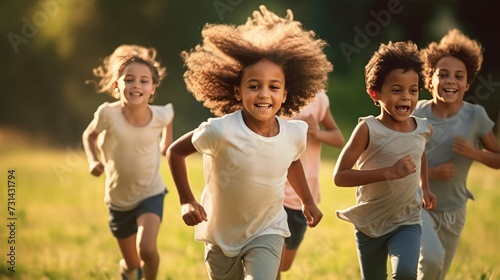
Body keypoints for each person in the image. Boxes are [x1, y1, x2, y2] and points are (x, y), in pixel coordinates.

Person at [166, 5, 330, 280]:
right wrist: (187, 200)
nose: (264, 94)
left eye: (273, 87)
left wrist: (307, 200)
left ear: (285, 93)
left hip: (268, 229)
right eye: (254, 86)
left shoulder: (294, 133)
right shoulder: (220, 130)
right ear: (238, 91)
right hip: (221, 236)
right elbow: (175, 152)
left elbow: (292, 162)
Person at [333, 41, 437, 280]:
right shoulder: (368, 129)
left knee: (405, 274)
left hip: (407, 221)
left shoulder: (422, 128)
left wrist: (426, 187)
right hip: (370, 223)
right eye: (397, 90)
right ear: (375, 93)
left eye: (413, 90)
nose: (406, 97)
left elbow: (420, 153)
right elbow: (340, 176)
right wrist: (388, 172)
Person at [413, 29, 500, 280]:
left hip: (454, 211)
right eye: (443, 74)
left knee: (436, 272)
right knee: (431, 258)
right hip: (419, 205)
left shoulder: (476, 116)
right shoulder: (416, 114)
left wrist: (475, 153)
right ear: (430, 81)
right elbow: (400, 157)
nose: (451, 80)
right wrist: (432, 173)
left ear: (467, 84)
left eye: (458, 76)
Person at [82, 44, 174, 280]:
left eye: (144, 81)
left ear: (153, 88)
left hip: (150, 193)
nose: (136, 85)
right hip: (118, 200)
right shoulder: (107, 114)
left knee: (148, 249)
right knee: (132, 264)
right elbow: (89, 135)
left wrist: (167, 144)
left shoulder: (160, 115)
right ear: (117, 85)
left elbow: (168, 118)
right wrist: (93, 161)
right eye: (129, 79)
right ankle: (129, 271)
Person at [278, 90, 345, 279]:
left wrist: (316, 132)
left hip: (303, 197)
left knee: (284, 265)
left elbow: (338, 138)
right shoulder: (274, 92)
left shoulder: (318, 98)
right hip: (275, 191)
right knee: (271, 259)